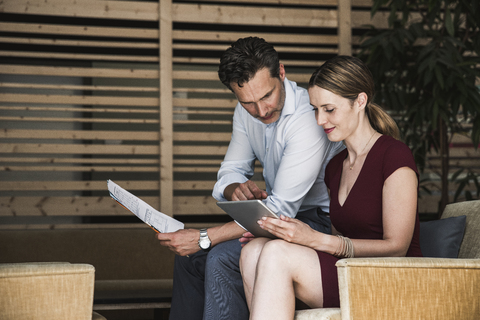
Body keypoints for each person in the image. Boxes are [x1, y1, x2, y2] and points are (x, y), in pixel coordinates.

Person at [156, 37, 344, 320]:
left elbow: (281, 210)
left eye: (266, 96)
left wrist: (205, 238)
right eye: (248, 103)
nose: (261, 111)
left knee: (219, 257)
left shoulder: (309, 116)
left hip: (318, 222)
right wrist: (234, 189)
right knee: (190, 261)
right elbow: (229, 171)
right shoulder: (246, 114)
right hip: (272, 218)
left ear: (281, 72)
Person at [239, 55, 423, 320]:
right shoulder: (336, 166)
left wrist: (315, 239)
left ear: (360, 101)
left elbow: (397, 247)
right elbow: (341, 238)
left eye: (329, 109)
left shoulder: (394, 155)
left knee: (277, 254)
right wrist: (284, 233)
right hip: (350, 270)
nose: (319, 120)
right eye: (315, 109)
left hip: (391, 276)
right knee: (253, 250)